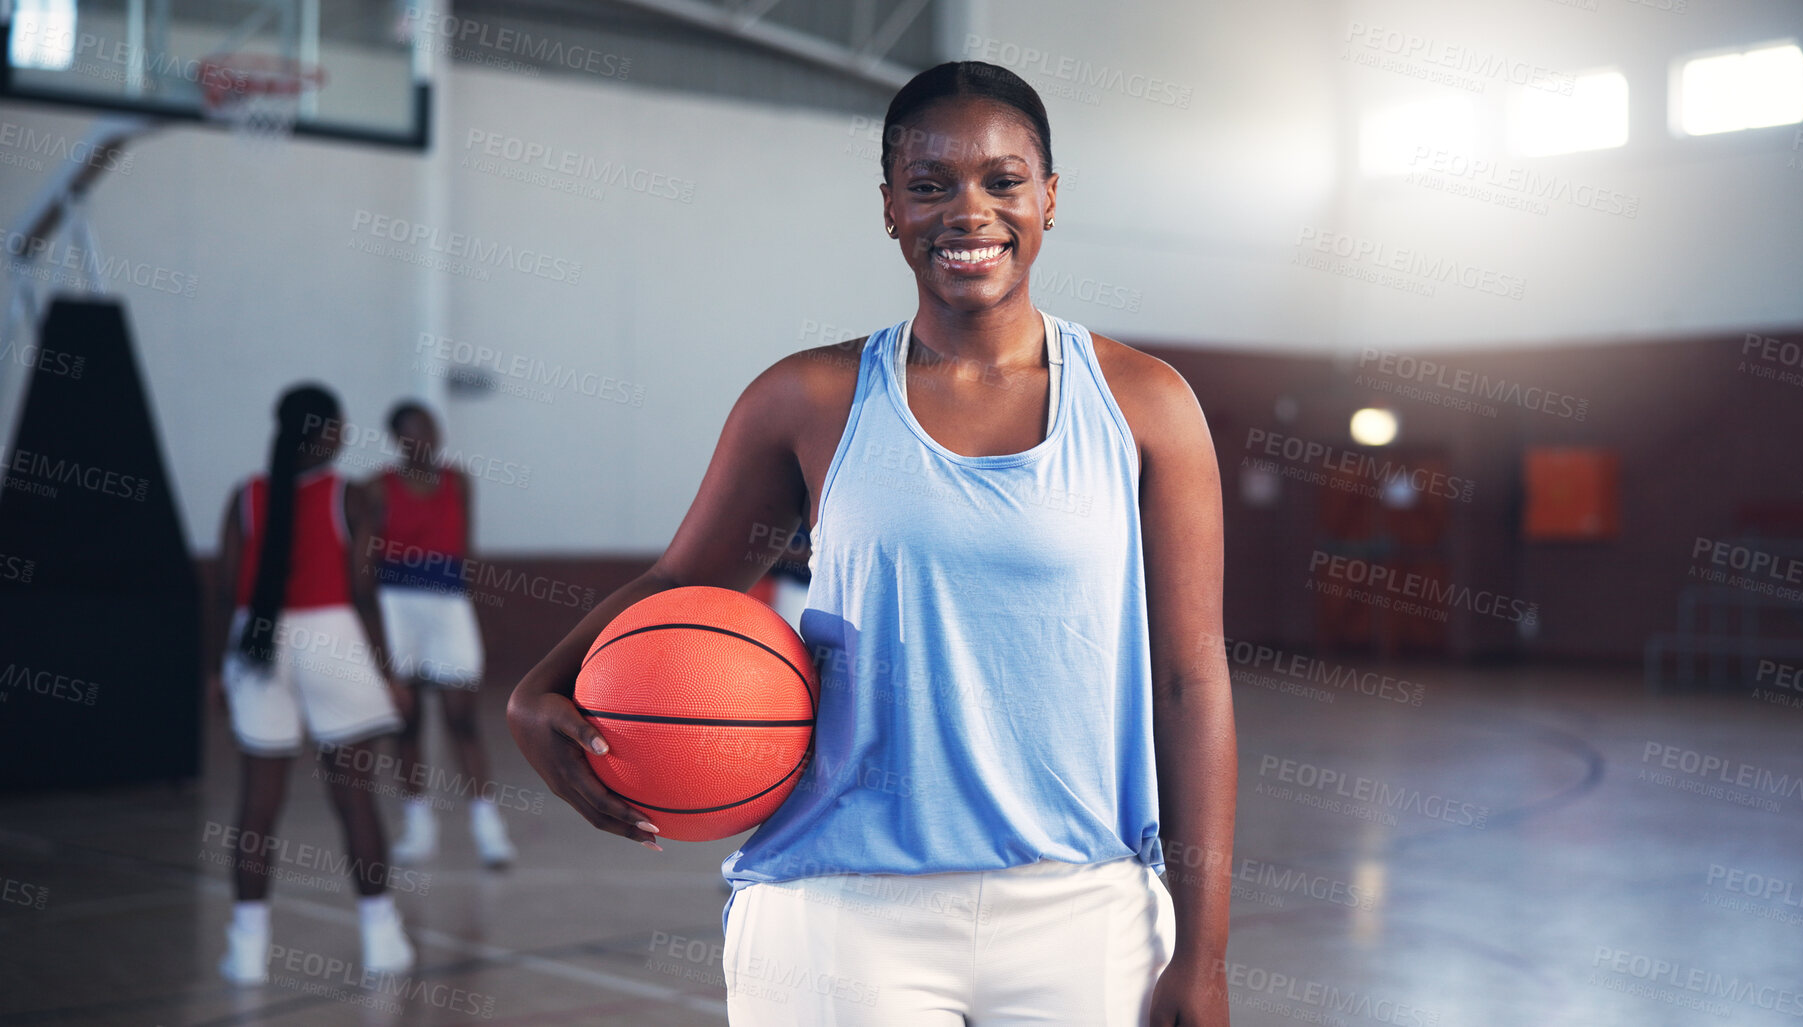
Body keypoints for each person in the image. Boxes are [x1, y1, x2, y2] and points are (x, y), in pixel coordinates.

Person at [507, 60, 1236, 1025]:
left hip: (1085, 903)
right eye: (929, 185)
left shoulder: (1146, 403)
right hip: (839, 904)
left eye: (1001, 180)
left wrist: (1207, 954)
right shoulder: (807, 399)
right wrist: (536, 688)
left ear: (1049, 198)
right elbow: (684, 579)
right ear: (889, 207)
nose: (967, 211)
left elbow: (1190, 679)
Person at [207, 383, 415, 983]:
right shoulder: (348, 496)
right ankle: (383, 940)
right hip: (333, 638)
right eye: (339, 425)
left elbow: (223, 590)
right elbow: (365, 591)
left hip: (256, 642)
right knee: (353, 797)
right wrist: (389, 673)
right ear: (327, 432)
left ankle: (246, 950)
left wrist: (218, 669)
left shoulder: (245, 496)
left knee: (257, 805)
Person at [364, 401, 516, 868]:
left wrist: (473, 610)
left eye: (432, 430)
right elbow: (365, 559)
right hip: (396, 603)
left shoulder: (458, 481)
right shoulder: (376, 488)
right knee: (407, 721)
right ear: (398, 439)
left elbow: (466, 549)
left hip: (448, 601)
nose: (427, 440)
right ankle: (418, 825)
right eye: (416, 432)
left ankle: (488, 827)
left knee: (462, 717)